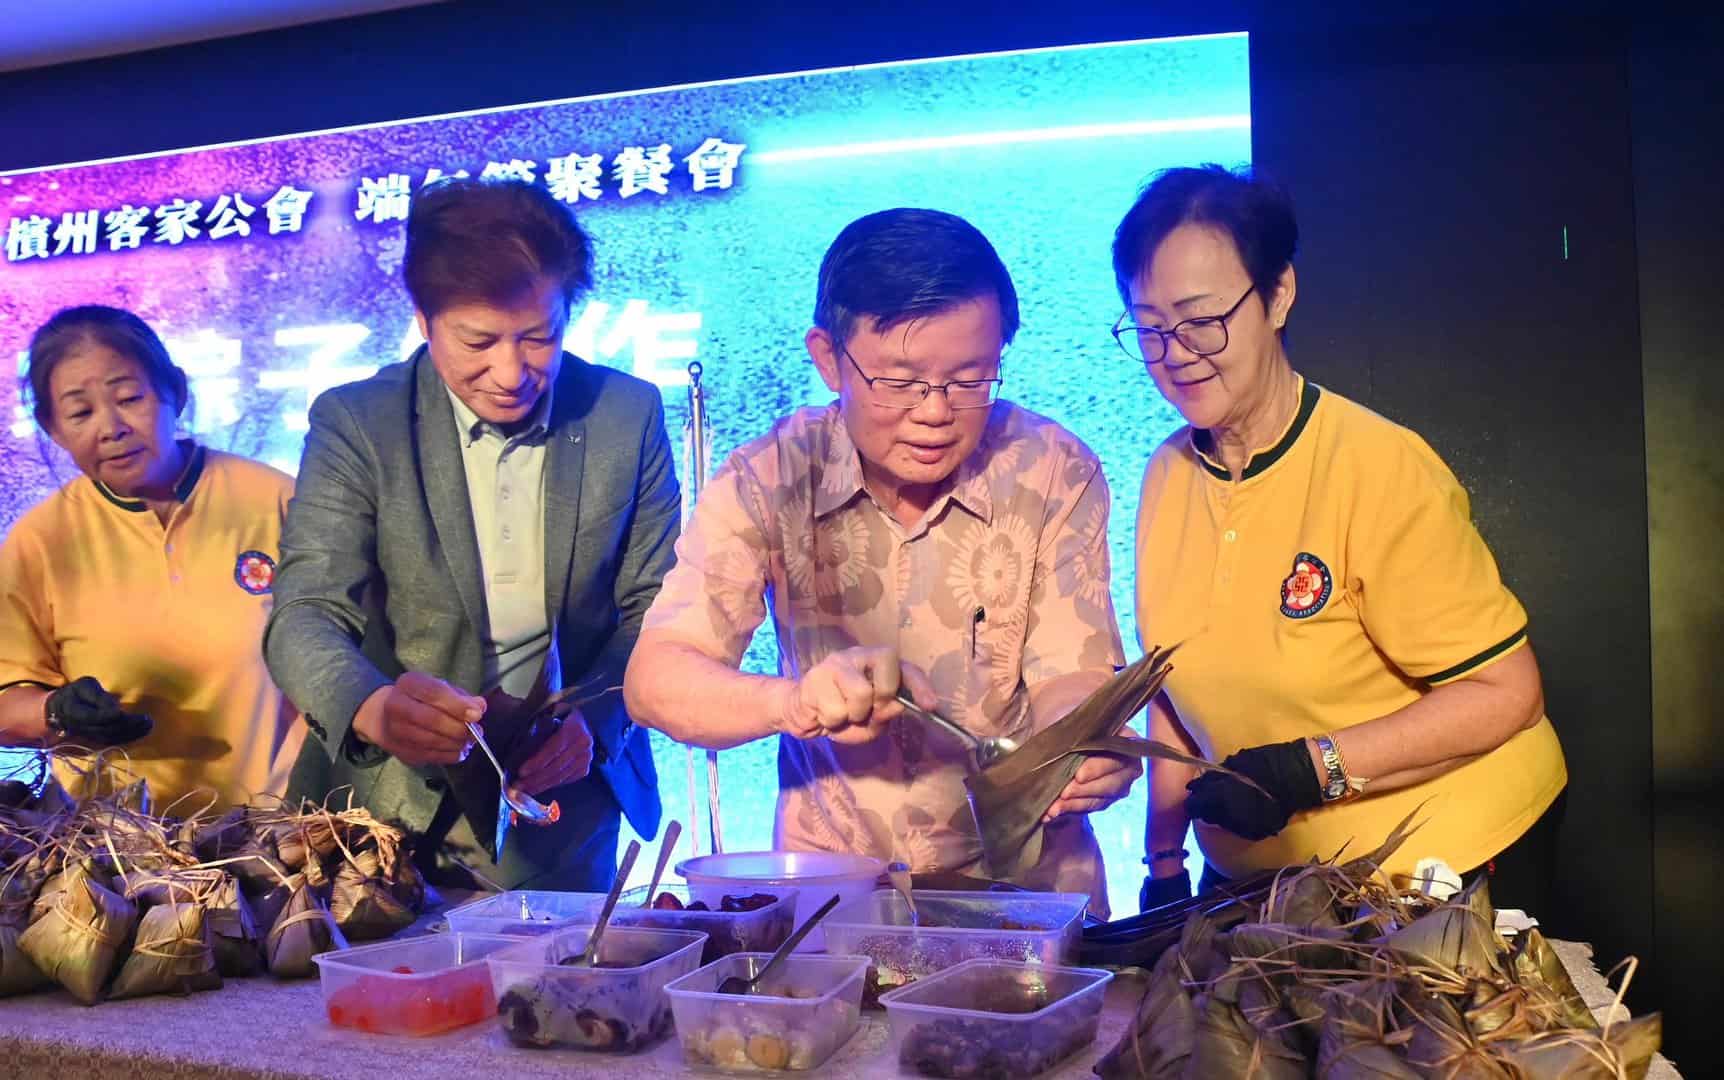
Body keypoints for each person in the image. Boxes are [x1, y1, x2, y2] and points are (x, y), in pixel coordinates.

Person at [624, 208, 1138, 913]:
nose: (935, 412)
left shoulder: (1050, 469)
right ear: (828, 358)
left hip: (1026, 901)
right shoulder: (770, 475)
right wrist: (792, 703)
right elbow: (656, 680)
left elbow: (1070, 671)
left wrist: (1082, 744)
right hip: (834, 904)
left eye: (969, 379)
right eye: (900, 382)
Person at [1116, 166, 1567, 915]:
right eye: (1150, 327)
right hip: (1268, 880)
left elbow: (1508, 694)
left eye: (1202, 319)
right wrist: (1164, 861)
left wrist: (1306, 772)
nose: (1177, 352)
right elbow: (1173, 687)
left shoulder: (1377, 465)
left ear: (1278, 295)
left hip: (1435, 862)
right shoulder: (1167, 473)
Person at [264, 177, 676, 891]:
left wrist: (597, 717)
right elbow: (305, 612)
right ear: (424, 321)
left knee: (568, 965)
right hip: (384, 811)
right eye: (478, 341)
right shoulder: (360, 422)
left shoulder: (624, 415)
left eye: (539, 337)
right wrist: (372, 707)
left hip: (565, 798)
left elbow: (657, 606)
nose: (511, 372)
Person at [0, 305, 300, 809]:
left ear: (175, 391)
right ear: (53, 429)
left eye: (129, 398)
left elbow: (344, 657)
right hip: (116, 842)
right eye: (80, 413)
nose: (111, 427)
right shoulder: (38, 542)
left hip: (284, 825)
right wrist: (56, 712)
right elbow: (7, 706)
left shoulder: (276, 500)